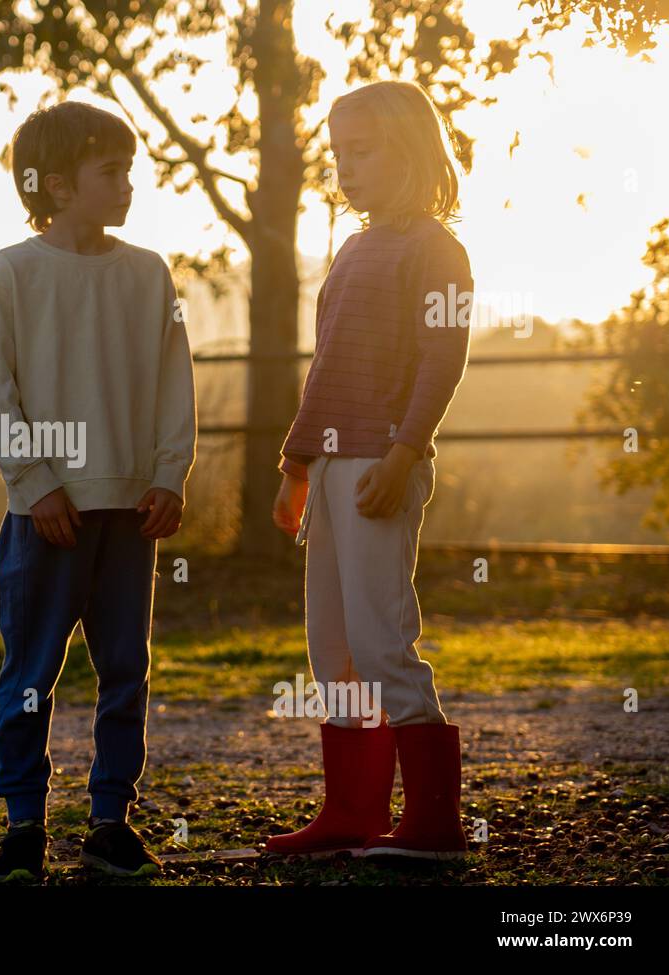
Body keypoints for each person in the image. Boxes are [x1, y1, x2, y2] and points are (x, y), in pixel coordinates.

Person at [0, 101, 197, 882]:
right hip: (46, 517)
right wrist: (34, 484)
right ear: (58, 185)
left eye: (130, 170)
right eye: (113, 171)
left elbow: (175, 382)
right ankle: (23, 825)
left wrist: (169, 474)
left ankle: (110, 821)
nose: (129, 184)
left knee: (125, 670)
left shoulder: (149, 273)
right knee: (30, 673)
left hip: (130, 512)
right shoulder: (14, 271)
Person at [269, 80, 474, 860]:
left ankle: (433, 824)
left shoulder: (438, 249)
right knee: (334, 648)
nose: (346, 167)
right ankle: (352, 811)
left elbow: (441, 360)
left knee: (383, 639)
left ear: (413, 151)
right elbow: (329, 367)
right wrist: (295, 464)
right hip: (328, 464)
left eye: (365, 150)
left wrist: (405, 450)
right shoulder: (352, 247)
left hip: (383, 460)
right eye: (339, 153)